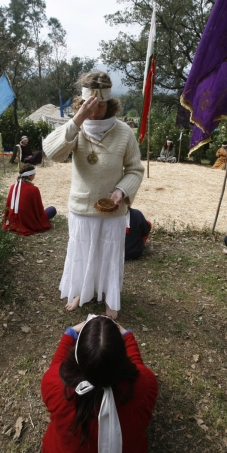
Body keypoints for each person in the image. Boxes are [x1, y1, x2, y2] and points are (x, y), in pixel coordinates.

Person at [43, 71, 144, 318]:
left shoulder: (124, 132)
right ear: (82, 102)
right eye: (91, 105)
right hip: (81, 207)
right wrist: (78, 119)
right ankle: (80, 291)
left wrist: (122, 190)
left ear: (110, 104)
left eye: (101, 105)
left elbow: (135, 170)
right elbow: (52, 153)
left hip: (113, 210)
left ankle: (111, 297)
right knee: (83, 251)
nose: (96, 110)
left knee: (109, 253)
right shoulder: (76, 127)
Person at [41, 315, 158, 453]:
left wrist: (70, 332)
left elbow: (57, 366)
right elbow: (137, 368)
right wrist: (126, 334)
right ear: (122, 355)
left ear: (77, 356)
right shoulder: (146, 386)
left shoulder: (55, 384)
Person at [3, 164, 56, 235]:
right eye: (34, 174)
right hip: (28, 220)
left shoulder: (13, 187)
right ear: (30, 176)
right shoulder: (34, 189)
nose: (35, 175)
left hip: (13, 220)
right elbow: (39, 210)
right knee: (52, 209)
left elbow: (8, 206)